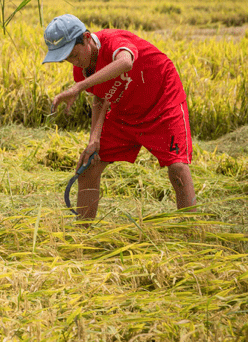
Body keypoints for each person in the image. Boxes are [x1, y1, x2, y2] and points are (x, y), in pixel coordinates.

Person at [42, 14, 197, 219]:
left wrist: (78, 87)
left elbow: (125, 63)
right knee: (90, 166)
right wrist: (93, 140)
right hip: (125, 110)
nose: (74, 62)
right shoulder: (82, 71)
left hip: (162, 102)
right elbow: (100, 98)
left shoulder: (114, 41)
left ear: (87, 38)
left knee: (177, 168)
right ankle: (82, 238)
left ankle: (192, 232)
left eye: (74, 54)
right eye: (67, 58)